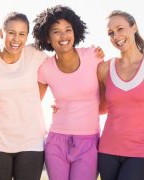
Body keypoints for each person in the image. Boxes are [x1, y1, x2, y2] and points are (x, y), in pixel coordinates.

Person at [32, 5, 105, 180]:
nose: (63, 36)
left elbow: (108, 99)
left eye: (68, 30)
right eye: (56, 32)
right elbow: (32, 102)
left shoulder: (94, 56)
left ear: (75, 32)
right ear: (47, 38)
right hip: (56, 140)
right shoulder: (45, 67)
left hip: (88, 141)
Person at [0, 12, 48, 180]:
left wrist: (92, 54)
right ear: (1, 33)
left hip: (31, 141)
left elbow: (62, 63)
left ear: (27, 36)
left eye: (22, 34)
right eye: (11, 33)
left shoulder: (35, 55)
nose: (15, 39)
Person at [97, 10, 144, 180]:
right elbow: (99, 107)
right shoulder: (104, 69)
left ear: (134, 27)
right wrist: (62, 106)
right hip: (107, 151)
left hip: (141, 152)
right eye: (111, 33)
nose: (116, 36)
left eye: (120, 29)